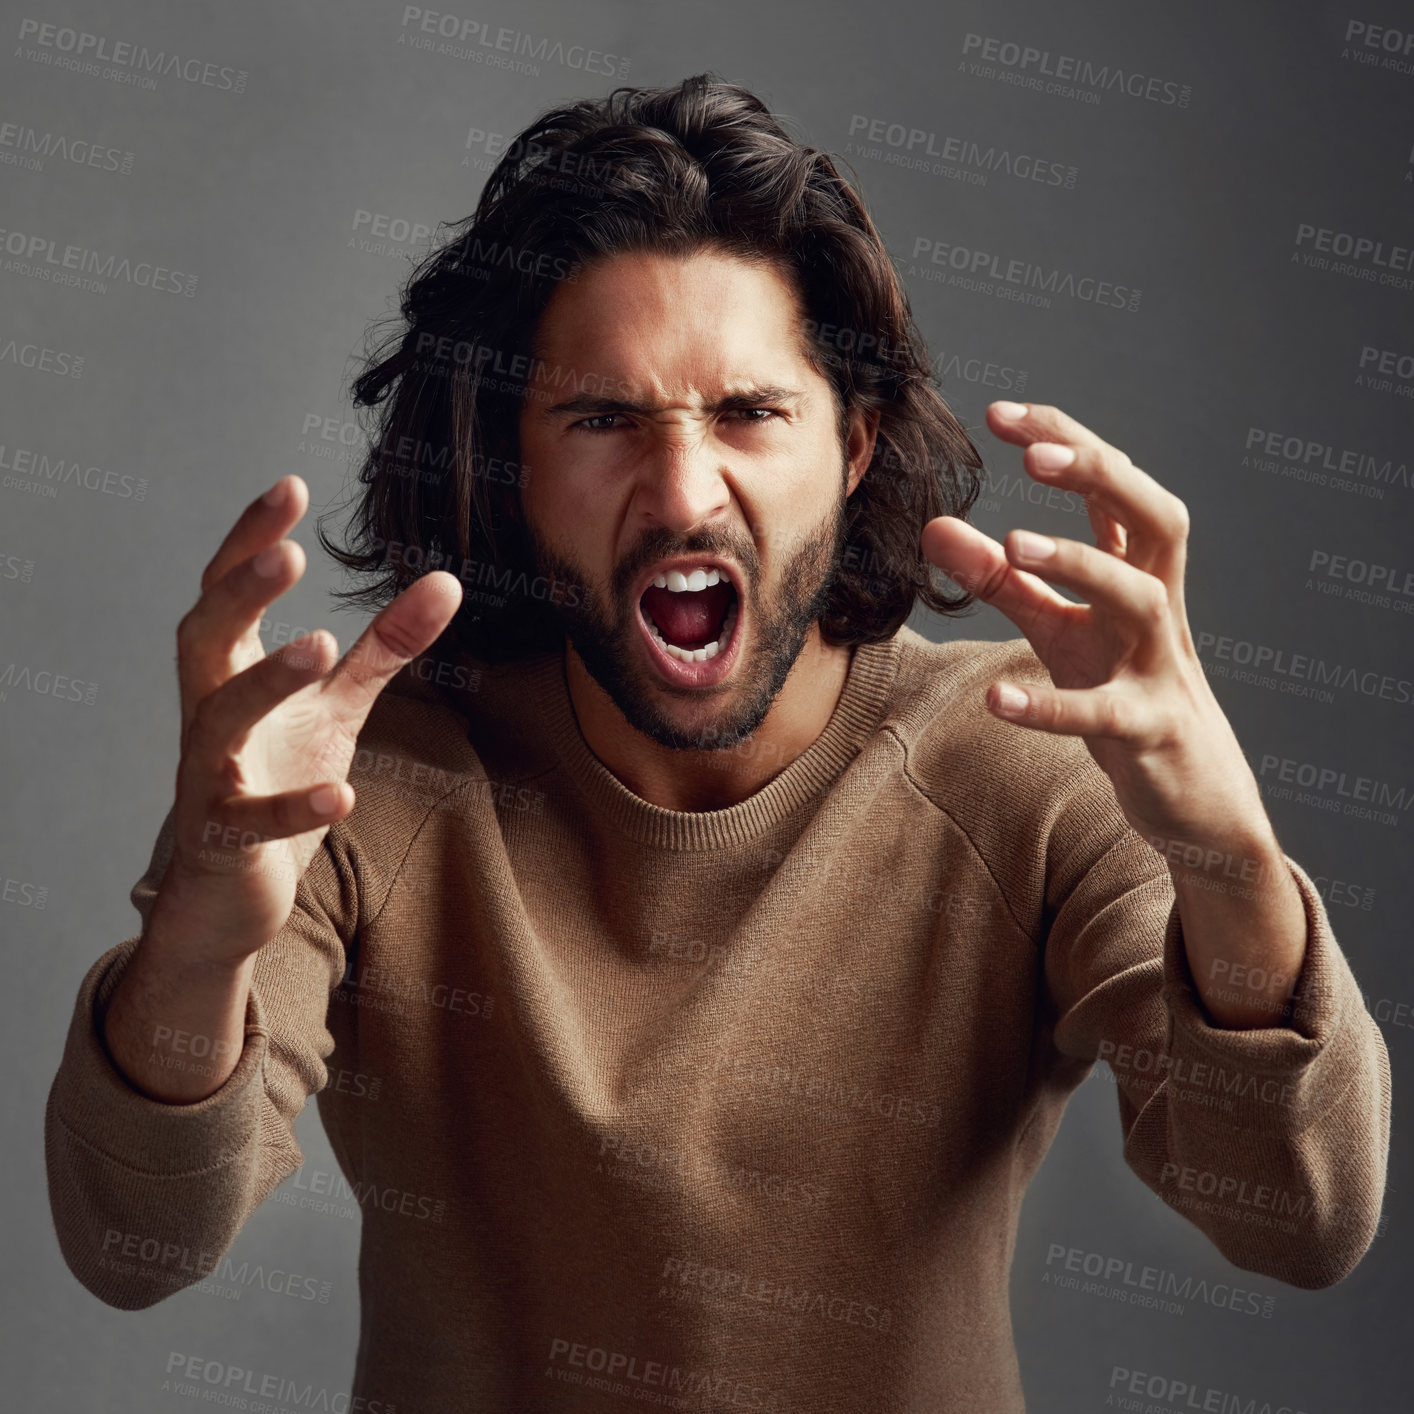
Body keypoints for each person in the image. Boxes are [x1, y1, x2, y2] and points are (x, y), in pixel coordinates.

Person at [45, 73, 1390, 1414]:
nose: (684, 492)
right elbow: (135, 1245)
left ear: (854, 443)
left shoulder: (1024, 755)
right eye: (601, 419)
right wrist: (205, 934)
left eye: (750, 412)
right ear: (514, 463)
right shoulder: (362, 776)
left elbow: (1297, 1216)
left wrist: (1227, 861)